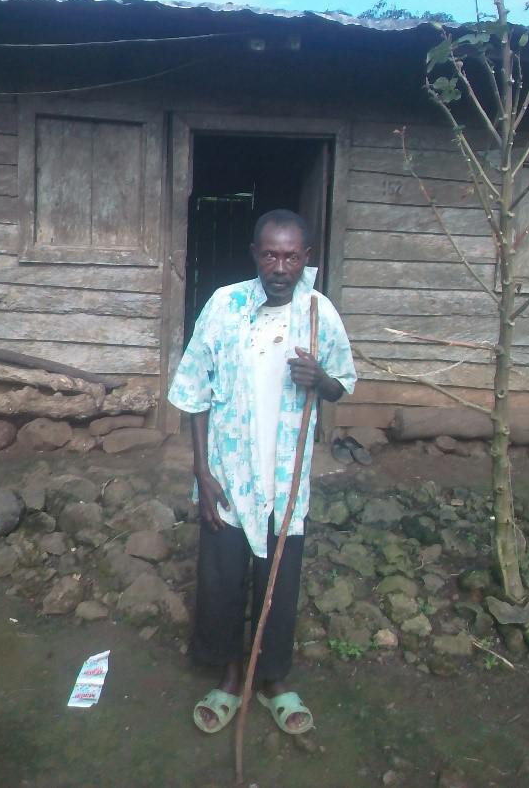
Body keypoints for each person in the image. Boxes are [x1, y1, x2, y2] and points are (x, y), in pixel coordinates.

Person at [169, 208, 356, 736]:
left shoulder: (318, 314)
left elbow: (342, 383)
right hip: (229, 475)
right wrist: (202, 472)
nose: (280, 266)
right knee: (223, 579)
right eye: (270, 254)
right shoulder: (224, 306)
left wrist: (320, 378)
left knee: (279, 583)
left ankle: (271, 678)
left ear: (306, 258)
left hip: (285, 480)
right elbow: (195, 392)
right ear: (255, 254)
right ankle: (231, 675)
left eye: (291, 256)